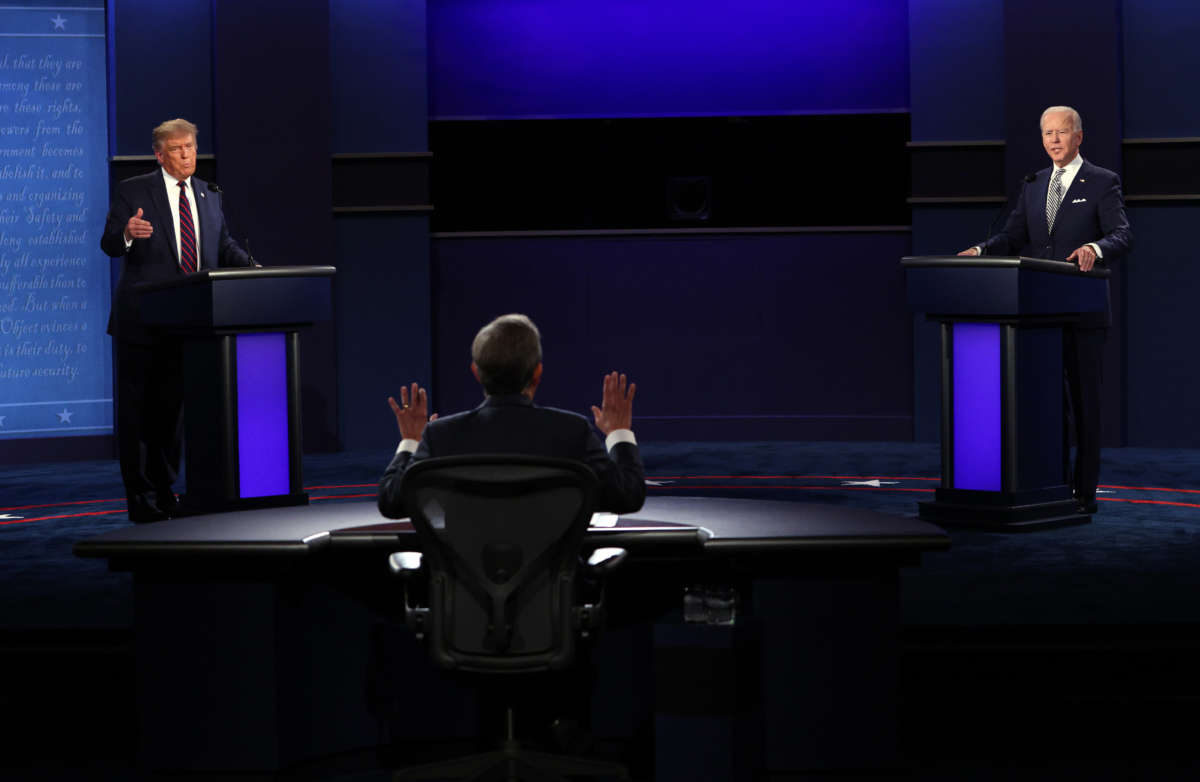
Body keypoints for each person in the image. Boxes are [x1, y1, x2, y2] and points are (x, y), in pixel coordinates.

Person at [959, 105, 1131, 514]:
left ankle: (1083, 494)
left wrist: (1095, 248)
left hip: (1082, 312)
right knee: (1050, 407)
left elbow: (1122, 234)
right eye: (1047, 133)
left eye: (1061, 132)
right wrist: (982, 250)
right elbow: (1013, 234)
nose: (1053, 140)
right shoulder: (1034, 184)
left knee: (1085, 406)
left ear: (1078, 137)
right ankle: (1052, 485)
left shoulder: (1103, 181)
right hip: (1038, 315)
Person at [100, 118, 254, 522]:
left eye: (190, 147)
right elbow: (109, 243)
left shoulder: (209, 193)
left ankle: (166, 491)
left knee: (171, 416)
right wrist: (128, 234)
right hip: (142, 322)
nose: (186, 155)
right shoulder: (133, 190)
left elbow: (222, 244)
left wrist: (253, 269)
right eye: (177, 148)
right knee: (138, 415)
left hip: (189, 322)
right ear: (159, 153)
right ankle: (140, 497)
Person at [378, 313, 645, 518]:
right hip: (552, 588)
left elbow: (392, 502)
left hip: (465, 588)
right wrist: (618, 433)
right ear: (538, 373)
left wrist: (410, 442)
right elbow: (627, 496)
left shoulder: (441, 436)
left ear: (475, 372)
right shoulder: (571, 431)